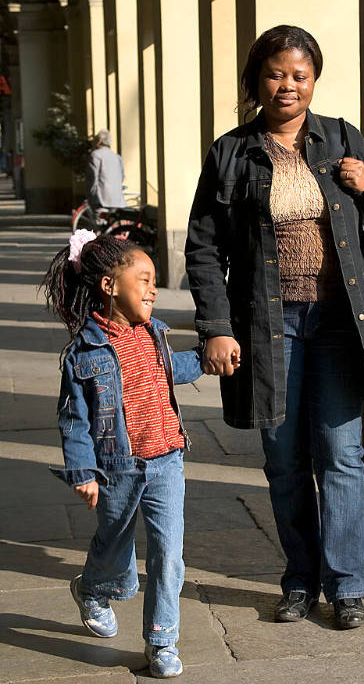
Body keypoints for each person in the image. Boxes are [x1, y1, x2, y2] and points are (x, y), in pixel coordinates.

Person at [186, 25, 364, 630]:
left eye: (299, 75)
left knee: (341, 452)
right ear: (257, 79)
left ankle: (347, 586)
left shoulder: (341, 138)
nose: (288, 85)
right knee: (283, 459)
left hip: (338, 321)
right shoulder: (232, 151)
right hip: (266, 325)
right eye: (277, 73)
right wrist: (216, 327)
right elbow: (203, 247)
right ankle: (299, 581)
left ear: (314, 81)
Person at [43, 230, 202, 678]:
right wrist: (84, 471)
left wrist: (210, 359)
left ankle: (162, 641)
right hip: (118, 471)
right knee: (115, 549)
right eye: (145, 278)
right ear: (109, 286)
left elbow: (174, 370)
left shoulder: (155, 334)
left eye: (154, 281)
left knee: (169, 554)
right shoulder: (84, 353)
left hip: (168, 460)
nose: (154, 288)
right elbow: (74, 420)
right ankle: (92, 588)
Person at [86, 129, 127, 211]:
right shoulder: (117, 157)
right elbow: (122, 176)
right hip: (117, 200)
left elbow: (92, 178)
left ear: (99, 141)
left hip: (101, 200)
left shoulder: (95, 155)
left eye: (95, 140)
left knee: (101, 223)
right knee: (114, 222)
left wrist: (91, 197)